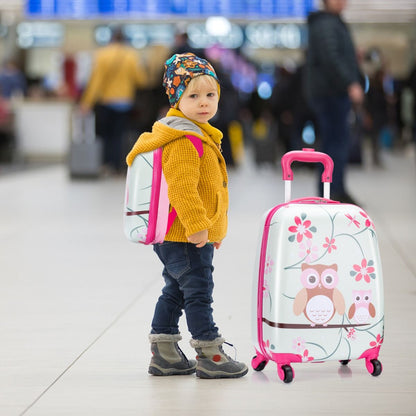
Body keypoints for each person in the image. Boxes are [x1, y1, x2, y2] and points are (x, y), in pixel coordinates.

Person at [126, 53, 248, 379]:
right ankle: (210, 353)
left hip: (181, 234)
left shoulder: (199, 133)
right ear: (176, 98)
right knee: (198, 292)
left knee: (176, 290)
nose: (204, 102)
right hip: (184, 234)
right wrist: (198, 228)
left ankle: (164, 353)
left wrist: (212, 230)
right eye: (193, 95)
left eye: (210, 95)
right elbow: (183, 190)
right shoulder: (184, 139)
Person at [305, 0, 365, 203]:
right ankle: (332, 191)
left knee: (336, 142)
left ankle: (334, 188)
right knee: (334, 143)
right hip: (331, 93)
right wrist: (350, 83)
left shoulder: (333, 22)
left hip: (332, 92)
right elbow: (330, 58)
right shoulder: (326, 24)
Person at [80, 27, 147, 173]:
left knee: (105, 135)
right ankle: (119, 166)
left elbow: (95, 81)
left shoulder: (101, 54)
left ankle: (105, 163)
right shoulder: (132, 55)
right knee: (120, 135)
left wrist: (87, 102)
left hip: (106, 102)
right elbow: (141, 80)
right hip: (124, 102)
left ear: (111, 39)